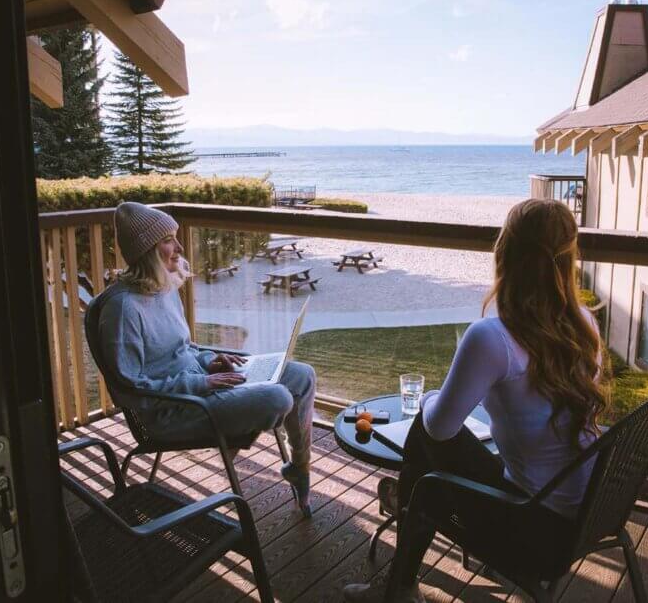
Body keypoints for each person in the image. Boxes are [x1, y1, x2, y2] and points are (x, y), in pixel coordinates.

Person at [344, 198, 608, 602]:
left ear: (504, 254)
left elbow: (439, 428)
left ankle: (400, 569)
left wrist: (432, 396)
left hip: (531, 530)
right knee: (427, 461)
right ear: (570, 260)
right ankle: (405, 511)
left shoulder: (493, 337)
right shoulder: (584, 324)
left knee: (424, 438)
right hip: (585, 517)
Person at [92, 202, 317, 515]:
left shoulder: (163, 288)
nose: (180, 246)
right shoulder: (123, 309)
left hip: (203, 387)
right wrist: (202, 382)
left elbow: (185, 349)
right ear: (148, 250)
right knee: (277, 396)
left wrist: (210, 360)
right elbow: (130, 388)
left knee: (302, 375)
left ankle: (299, 468)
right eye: (169, 239)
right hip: (173, 412)